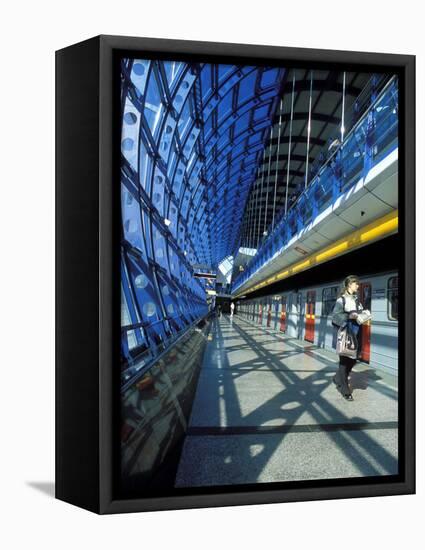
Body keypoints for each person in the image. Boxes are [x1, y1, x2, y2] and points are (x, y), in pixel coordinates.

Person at [331, 275, 364, 401]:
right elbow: (335, 316)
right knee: (344, 362)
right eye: (356, 284)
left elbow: (358, 313)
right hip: (345, 333)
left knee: (354, 359)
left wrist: (364, 315)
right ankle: (345, 390)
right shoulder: (341, 300)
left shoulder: (356, 300)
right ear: (349, 285)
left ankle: (338, 378)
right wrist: (350, 316)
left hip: (356, 332)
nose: (358, 286)